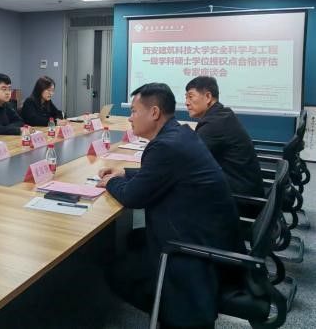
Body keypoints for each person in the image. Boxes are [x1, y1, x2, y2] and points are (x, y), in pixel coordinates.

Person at [97, 83, 242, 329]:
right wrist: (124, 172)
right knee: (133, 239)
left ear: (154, 113)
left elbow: (132, 197)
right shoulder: (179, 133)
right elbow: (163, 174)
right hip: (212, 234)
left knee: (116, 270)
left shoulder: (164, 146)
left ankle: (172, 313)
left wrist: (110, 182)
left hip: (195, 249)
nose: (130, 118)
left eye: (134, 111)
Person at [185, 76, 264, 197]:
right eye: (186, 97)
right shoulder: (222, 115)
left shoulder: (214, 124)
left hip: (241, 198)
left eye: (190, 97)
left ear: (208, 97)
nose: (186, 103)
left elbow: (187, 158)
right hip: (244, 187)